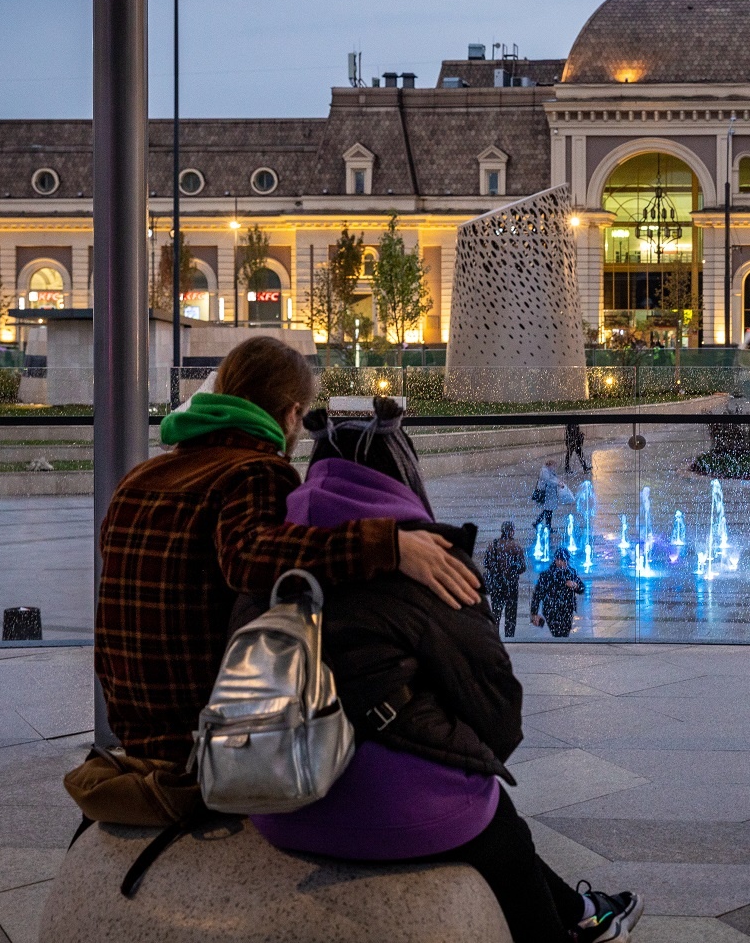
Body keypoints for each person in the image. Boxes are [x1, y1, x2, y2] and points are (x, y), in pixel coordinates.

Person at [267, 390, 643, 943]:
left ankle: (584, 912)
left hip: (280, 799)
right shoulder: (434, 568)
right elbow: (496, 712)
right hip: (383, 810)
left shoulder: (277, 555)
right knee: (490, 813)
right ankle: (575, 926)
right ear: (403, 472)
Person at [96, 337, 480, 772]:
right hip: (208, 735)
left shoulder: (140, 477)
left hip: (133, 725)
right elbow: (249, 558)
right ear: (292, 414)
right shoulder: (256, 470)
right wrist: (388, 545)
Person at [483, 521, 526, 639]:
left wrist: (497, 569)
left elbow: (486, 563)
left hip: (497, 585)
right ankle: (509, 636)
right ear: (511, 531)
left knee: (496, 612)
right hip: (511, 585)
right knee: (510, 614)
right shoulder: (516, 547)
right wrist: (511, 570)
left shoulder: (493, 545)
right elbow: (522, 568)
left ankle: (494, 636)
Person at [530, 549, 584, 638]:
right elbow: (537, 595)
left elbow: (581, 588)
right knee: (558, 634)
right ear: (557, 560)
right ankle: (559, 649)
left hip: (567, 609)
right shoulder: (546, 575)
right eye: (563, 561)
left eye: (566, 561)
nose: (565, 563)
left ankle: (561, 650)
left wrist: (575, 585)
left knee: (565, 634)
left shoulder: (570, 572)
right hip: (551, 610)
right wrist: (534, 613)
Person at [531, 461, 573, 536]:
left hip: (550, 495)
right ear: (549, 465)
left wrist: (559, 481)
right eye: (553, 466)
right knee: (548, 511)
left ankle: (540, 523)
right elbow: (549, 481)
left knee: (547, 510)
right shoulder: (544, 471)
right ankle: (545, 526)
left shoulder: (548, 471)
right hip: (547, 495)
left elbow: (553, 478)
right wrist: (558, 483)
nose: (554, 468)